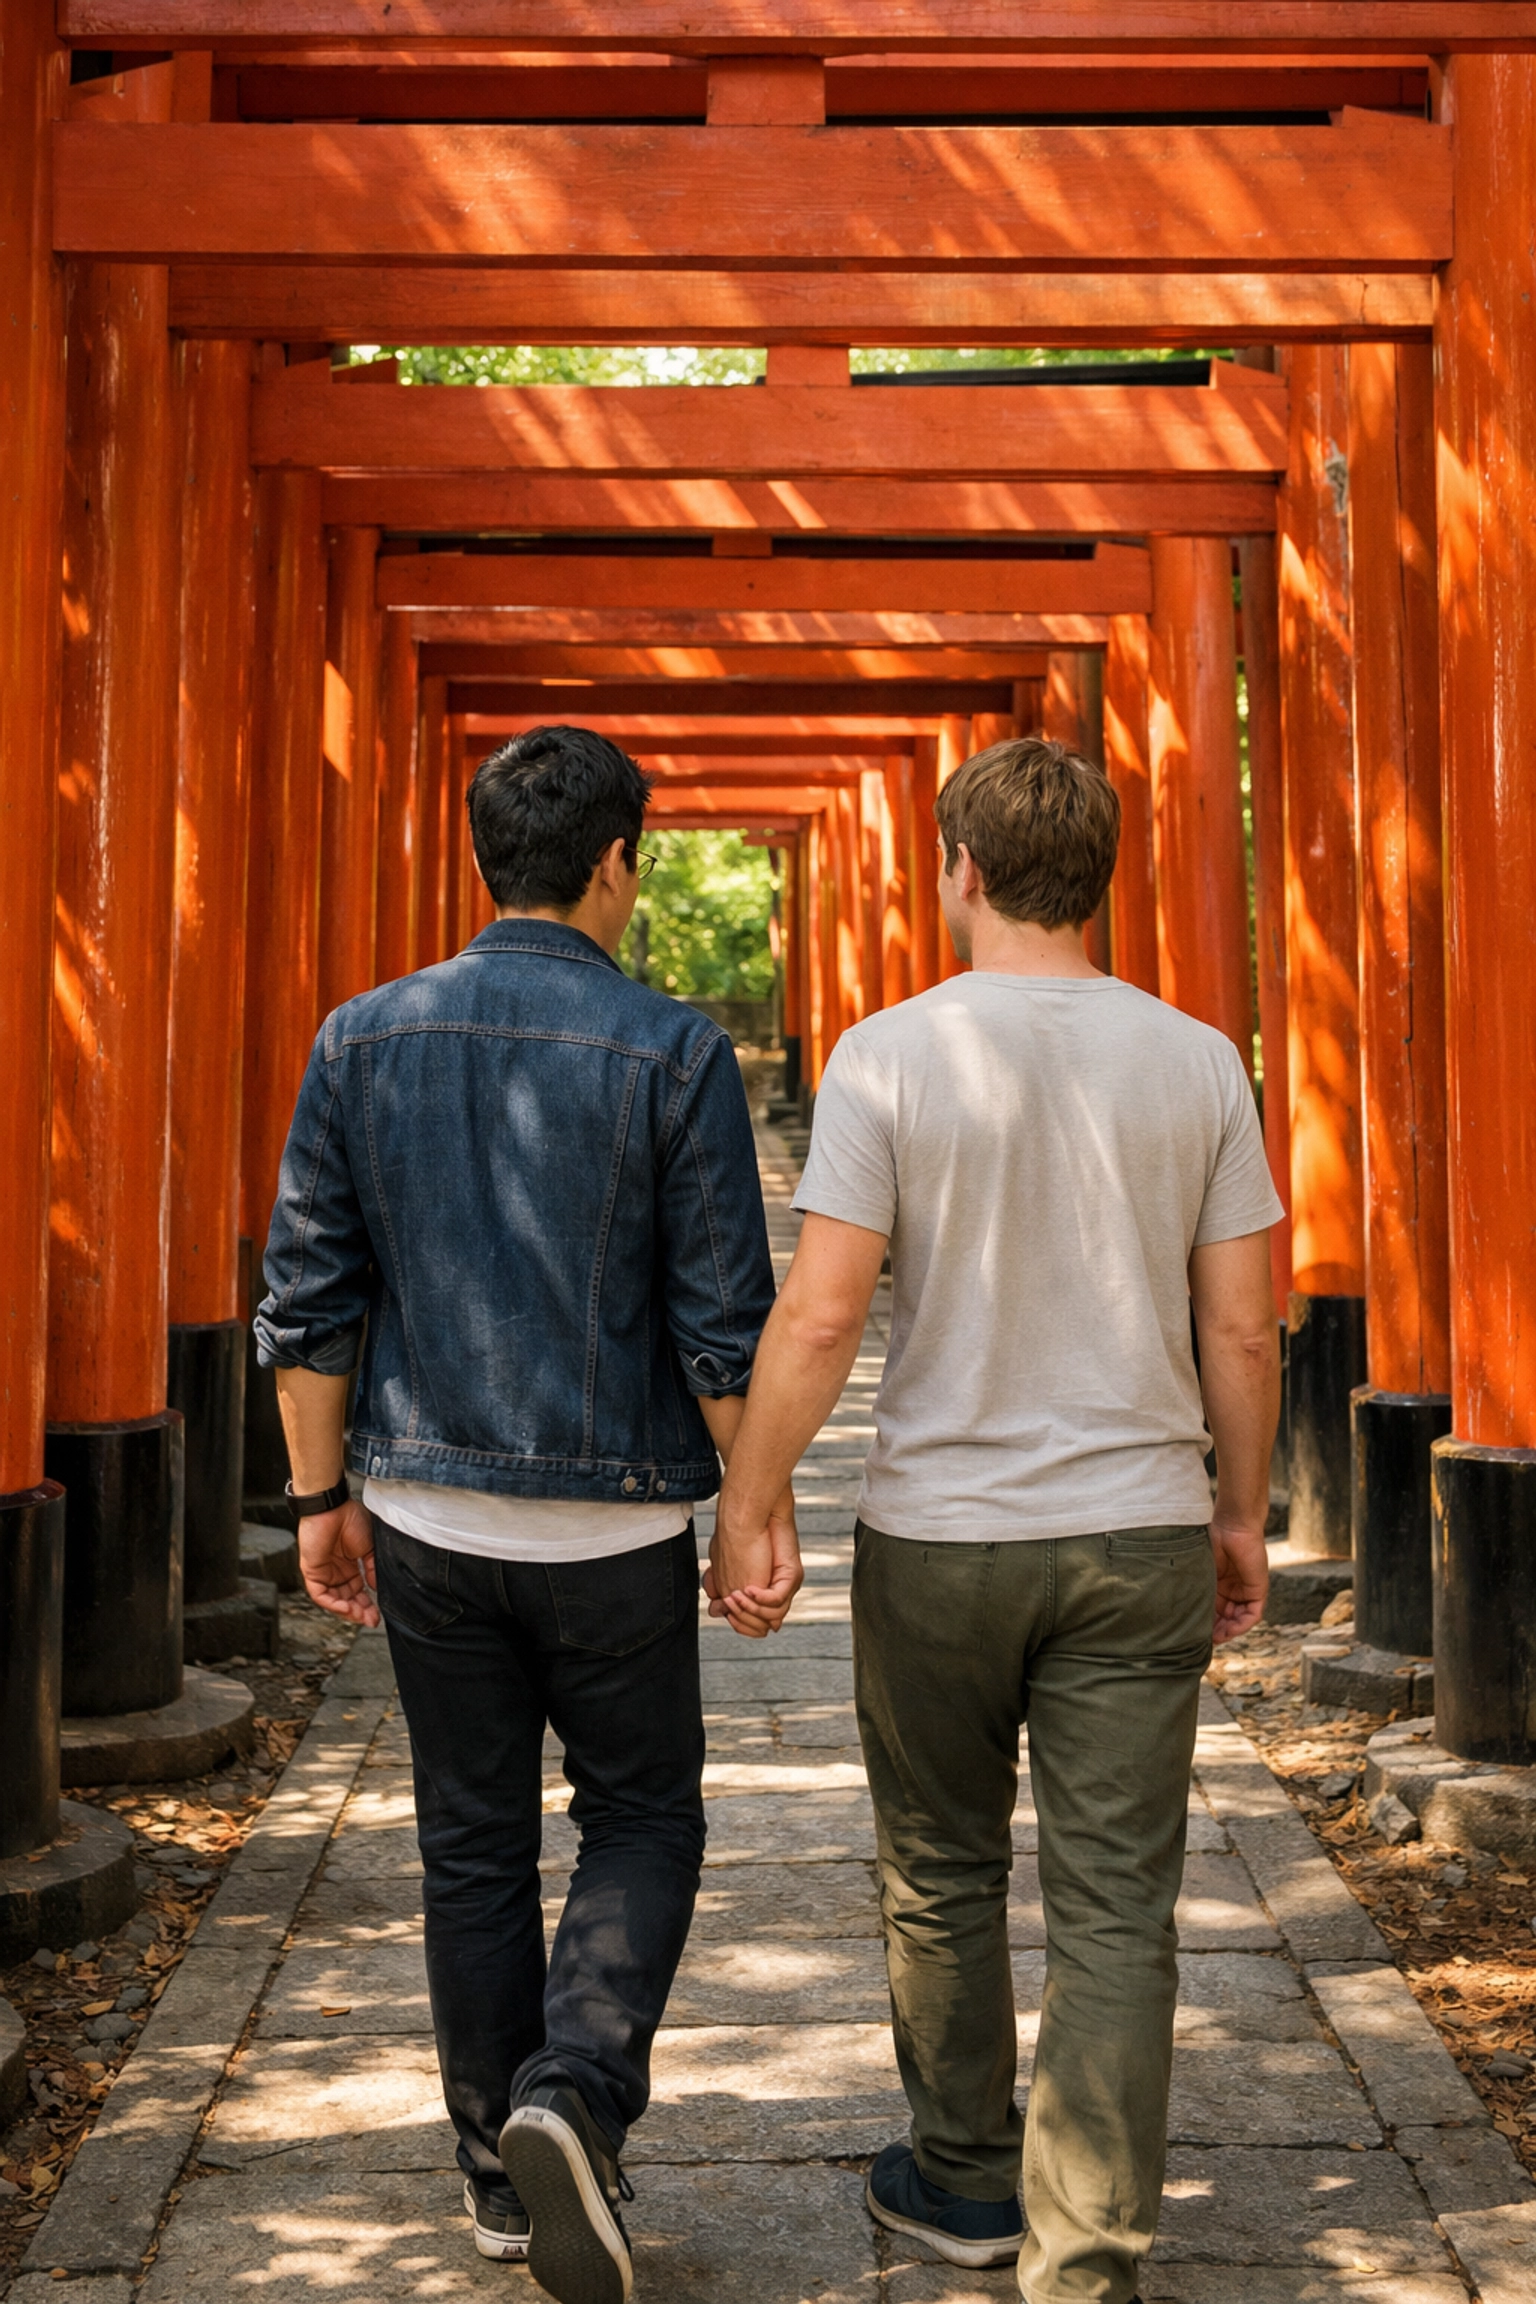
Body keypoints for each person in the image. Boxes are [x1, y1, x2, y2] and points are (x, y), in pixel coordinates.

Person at [713, 736, 1283, 2304]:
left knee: (941, 1870)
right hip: (1136, 1527)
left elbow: (823, 1320)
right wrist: (1239, 1516)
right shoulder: (1195, 1059)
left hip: (944, 1533)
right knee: (1116, 1903)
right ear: (1101, 877)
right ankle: (1087, 2249)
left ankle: (964, 2182)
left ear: (961, 869)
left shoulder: (887, 1054)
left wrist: (749, 1504)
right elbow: (1241, 1331)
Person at [254, 726, 799, 2304]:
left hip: (425, 1510)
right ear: (618, 860)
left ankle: (500, 2171)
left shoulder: (361, 1039)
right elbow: (719, 1328)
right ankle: (578, 2089)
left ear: (486, 855)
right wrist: (751, 1511)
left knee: (470, 1841)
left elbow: (310, 1303)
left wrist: (315, 1501)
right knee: (641, 1813)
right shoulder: (675, 1050)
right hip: (616, 1531)